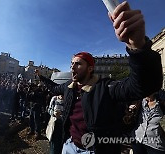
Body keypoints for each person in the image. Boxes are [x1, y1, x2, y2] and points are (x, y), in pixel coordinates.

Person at [35, 1, 163, 154]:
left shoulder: (106, 88)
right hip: (69, 146)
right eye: (71, 63)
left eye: (78, 64)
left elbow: (143, 86)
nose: (72, 67)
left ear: (90, 68)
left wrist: (138, 46)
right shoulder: (69, 87)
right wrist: (42, 77)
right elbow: (54, 88)